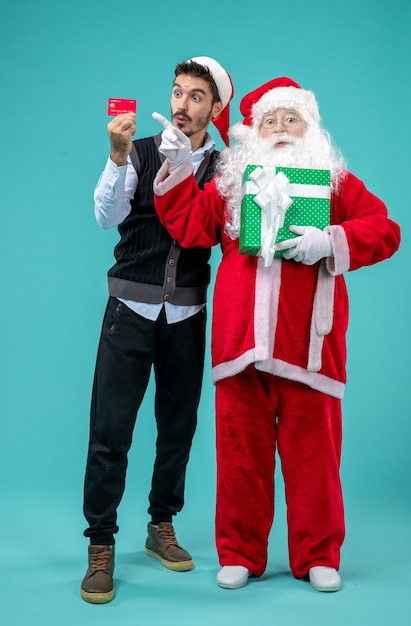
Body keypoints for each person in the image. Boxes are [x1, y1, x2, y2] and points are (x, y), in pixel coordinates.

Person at [152, 76, 401, 592]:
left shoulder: (334, 182)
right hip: (240, 340)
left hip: (309, 344)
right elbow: (191, 226)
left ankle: (318, 554)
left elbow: (385, 228)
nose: (282, 128)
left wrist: (331, 241)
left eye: (292, 119)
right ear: (254, 131)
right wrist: (175, 167)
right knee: (240, 454)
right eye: (271, 119)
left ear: (311, 128)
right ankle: (241, 551)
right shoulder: (230, 182)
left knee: (314, 455)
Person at [80, 56, 234, 604]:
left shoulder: (226, 167)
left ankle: (160, 525)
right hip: (130, 309)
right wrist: (119, 156)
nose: (181, 105)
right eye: (176, 93)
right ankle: (100, 544)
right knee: (111, 430)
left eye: (196, 97)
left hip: (188, 315)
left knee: (178, 428)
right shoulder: (142, 150)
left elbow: (225, 232)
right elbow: (106, 215)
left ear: (216, 109)